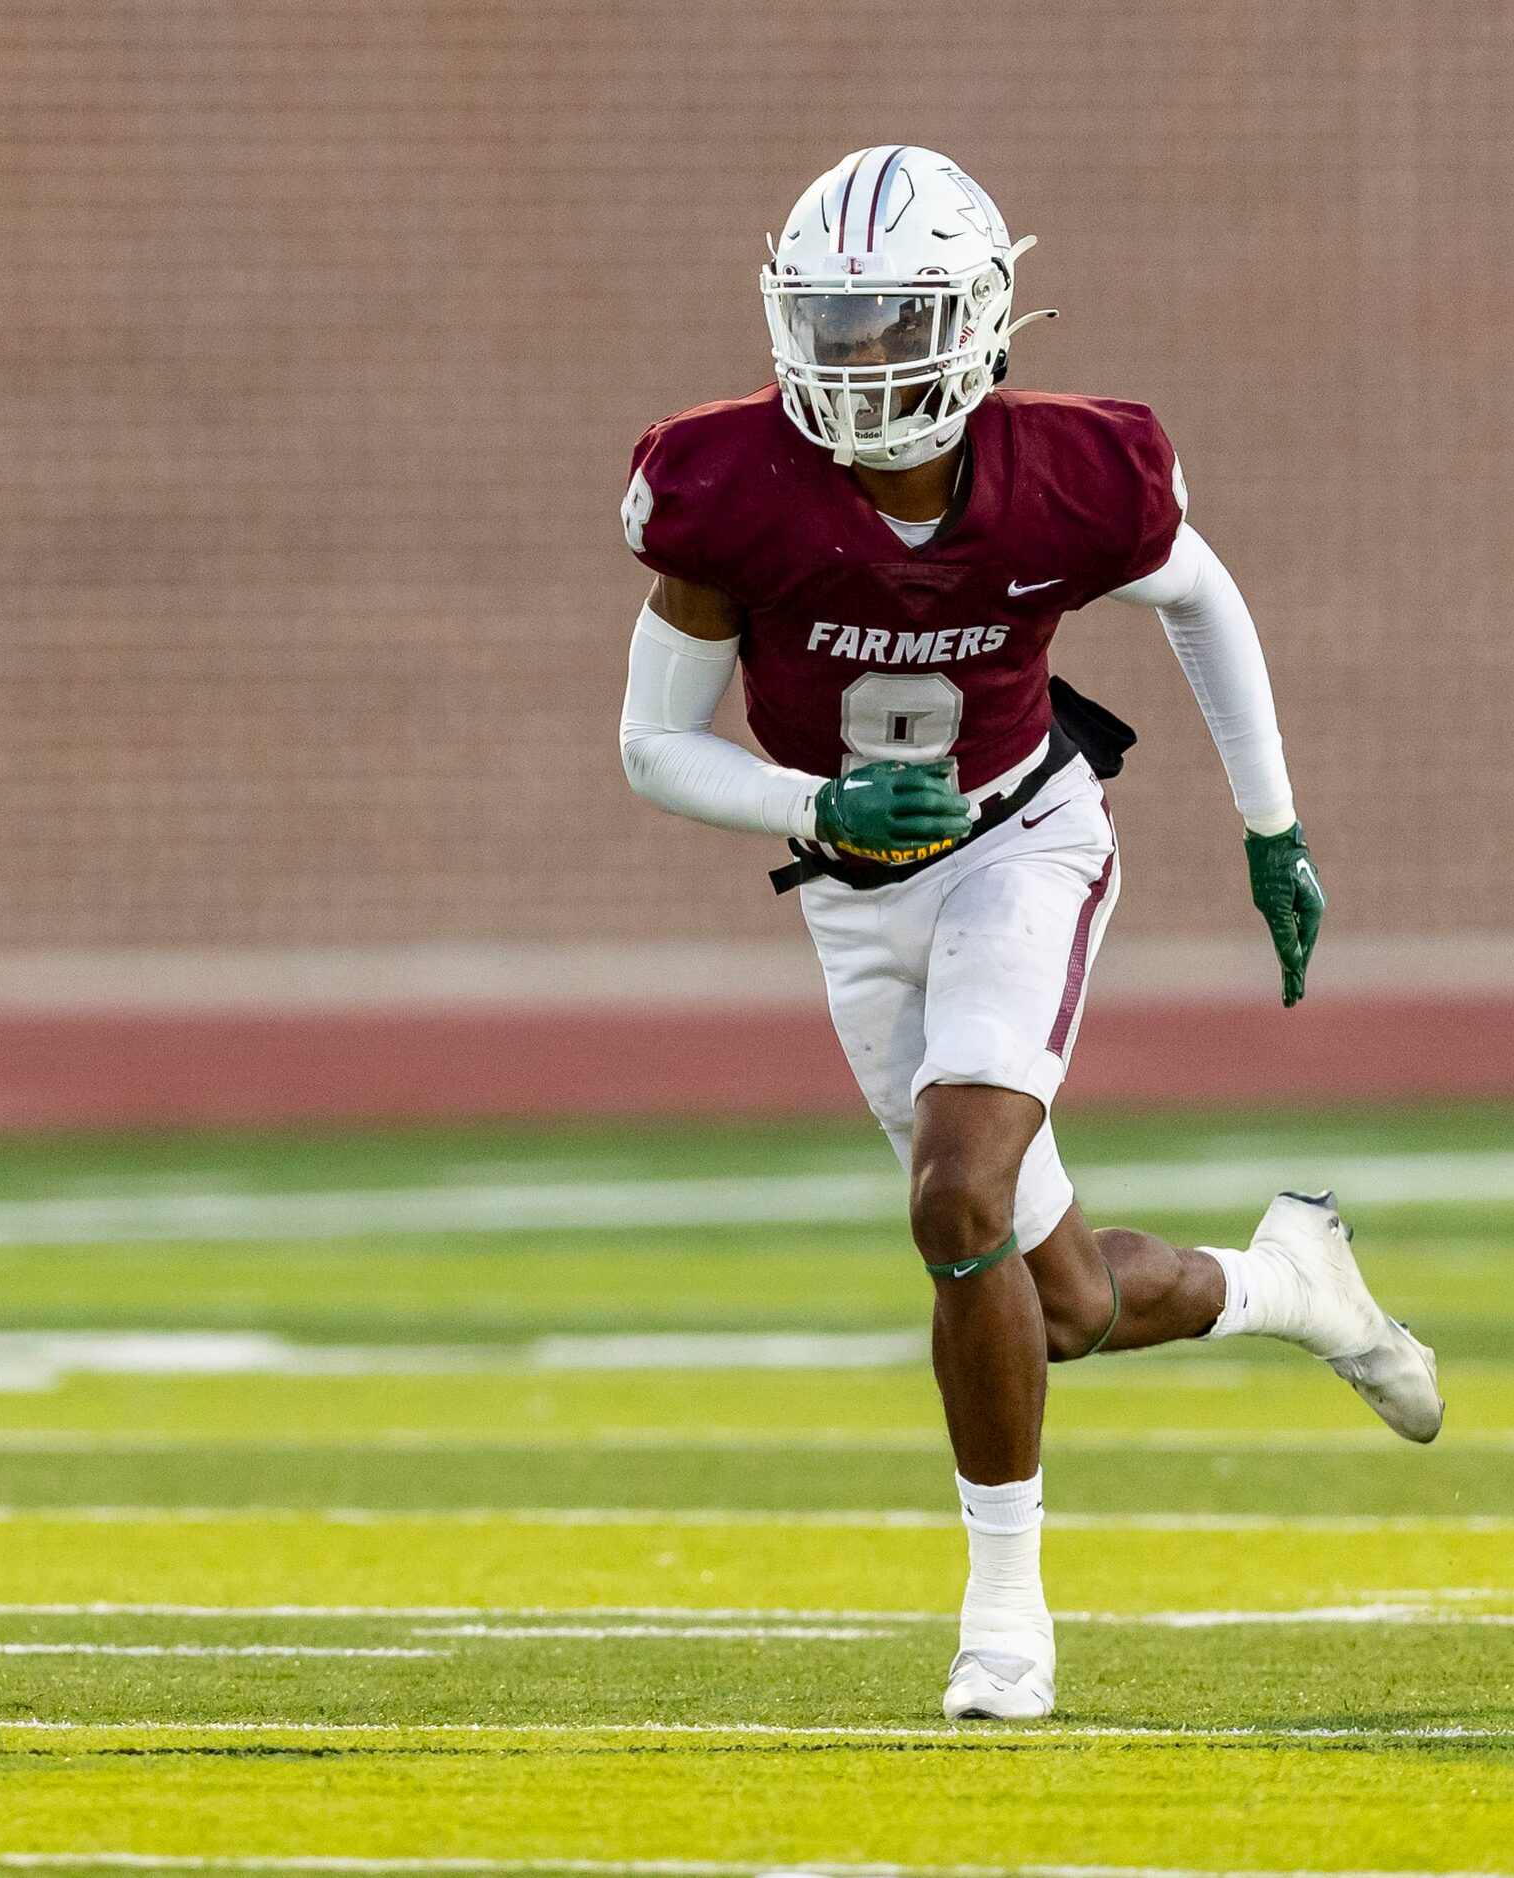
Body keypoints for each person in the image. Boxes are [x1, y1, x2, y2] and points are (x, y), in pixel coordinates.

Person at [615, 146, 1440, 1721]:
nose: (861, 358)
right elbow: (651, 747)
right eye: (833, 320)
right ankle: (1291, 1282)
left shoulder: (1073, 472)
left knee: (955, 1187)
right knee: (1050, 1297)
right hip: (854, 887)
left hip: (1023, 840)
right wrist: (814, 809)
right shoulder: (727, 487)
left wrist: (1270, 825)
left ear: (984, 319)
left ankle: (1006, 1619)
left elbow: (1201, 600)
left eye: (895, 319)